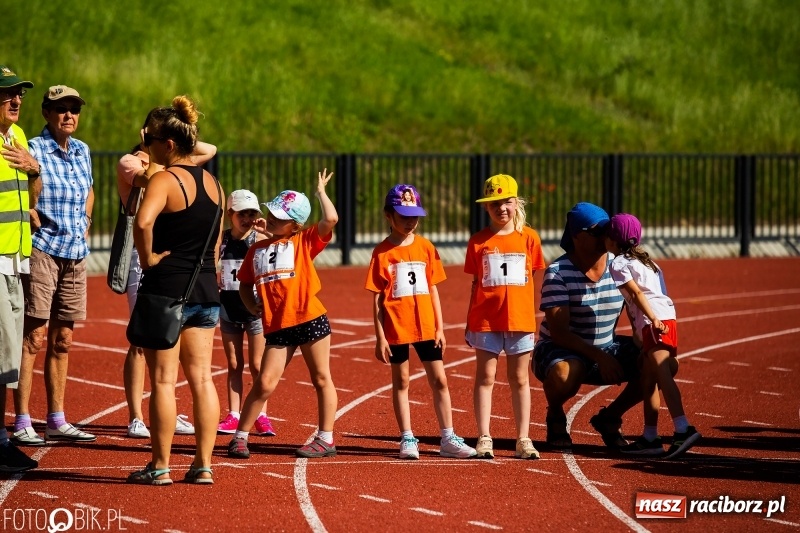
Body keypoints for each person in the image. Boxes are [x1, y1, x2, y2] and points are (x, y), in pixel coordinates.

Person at [126, 95, 222, 485]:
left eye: (149, 140)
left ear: (167, 145)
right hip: (204, 292)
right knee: (202, 379)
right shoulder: (213, 182)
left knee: (163, 381)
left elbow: (143, 221)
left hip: (167, 290)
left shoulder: (164, 179)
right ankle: (203, 465)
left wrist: (147, 258)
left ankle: (160, 465)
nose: (145, 147)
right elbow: (214, 243)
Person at [228, 171, 339, 460]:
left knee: (321, 378)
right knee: (264, 383)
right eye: (272, 213)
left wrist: (320, 193)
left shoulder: (304, 241)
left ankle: (325, 438)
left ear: (296, 224)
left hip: (310, 319)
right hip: (277, 327)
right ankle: (240, 437)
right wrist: (251, 305)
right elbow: (244, 284)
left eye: (280, 216)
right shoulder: (257, 249)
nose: (272, 218)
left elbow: (331, 220)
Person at [365, 184, 476, 460]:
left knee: (439, 379)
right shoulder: (381, 253)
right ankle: (407, 438)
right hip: (396, 327)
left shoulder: (426, 247)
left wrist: (440, 326)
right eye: (404, 216)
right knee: (401, 381)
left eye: (414, 216)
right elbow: (378, 299)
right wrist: (380, 336)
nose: (410, 222)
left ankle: (448, 437)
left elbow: (433, 288)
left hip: (426, 325)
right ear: (388, 216)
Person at [12, 85, 96, 446]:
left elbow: (89, 190)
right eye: (61, 109)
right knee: (33, 338)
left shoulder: (82, 150)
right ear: (46, 113)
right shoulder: (32, 148)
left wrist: (87, 221)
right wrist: (34, 172)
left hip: (75, 253)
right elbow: (28, 200)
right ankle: (21, 419)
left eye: (74, 109)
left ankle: (57, 419)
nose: (68, 115)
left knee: (63, 340)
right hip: (43, 250)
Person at [532, 202, 641, 450]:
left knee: (660, 362)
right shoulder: (558, 272)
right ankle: (556, 414)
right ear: (576, 236)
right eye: (597, 232)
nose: (606, 237)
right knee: (566, 373)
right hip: (560, 350)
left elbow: (639, 311)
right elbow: (559, 333)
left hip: (606, 346)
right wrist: (599, 357)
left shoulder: (620, 266)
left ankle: (610, 419)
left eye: (608, 231)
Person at [605, 213, 700, 458]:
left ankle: (682, 428)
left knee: (662, 374)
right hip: (666, 316)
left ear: (613, 241)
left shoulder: (617, 263)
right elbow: (660, 293)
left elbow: (636, 295)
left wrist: (651, 321)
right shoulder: (649, 262)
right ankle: (650, 437)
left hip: (654, 320)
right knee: (648, 381)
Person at [465, 174, 545, 459]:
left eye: (507, 202)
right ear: (486, 207)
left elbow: (531, 276)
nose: (501, 208)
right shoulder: (477, 242)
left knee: (520, 379)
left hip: (519, 320)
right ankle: (484, 436)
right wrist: (468, 321)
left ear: (517, 203)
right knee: (485, 377)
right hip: (486, 320)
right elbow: (477, 282)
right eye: (494, 203)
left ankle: (523, 438)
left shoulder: (530, 238)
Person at [0, 65, 39, 471]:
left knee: (7, 357)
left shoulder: (17, 137)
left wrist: (35, 169)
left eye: (20, 94)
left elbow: (32, 196)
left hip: (17, 259)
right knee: (2, 358)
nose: (16, 101)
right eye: (8, 94)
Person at [216, 189, 275, 437]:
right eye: (242, 213)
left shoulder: (260, 242)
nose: (248, 218)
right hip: (228, 309)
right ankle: (234, 414)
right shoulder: (222, 240)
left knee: (258, 364)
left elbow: (283, 244)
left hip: (256, 311)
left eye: (252, 213)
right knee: (233, 363)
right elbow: (211, 262)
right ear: (231, 214)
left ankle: (261, 414)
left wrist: (266, 231)